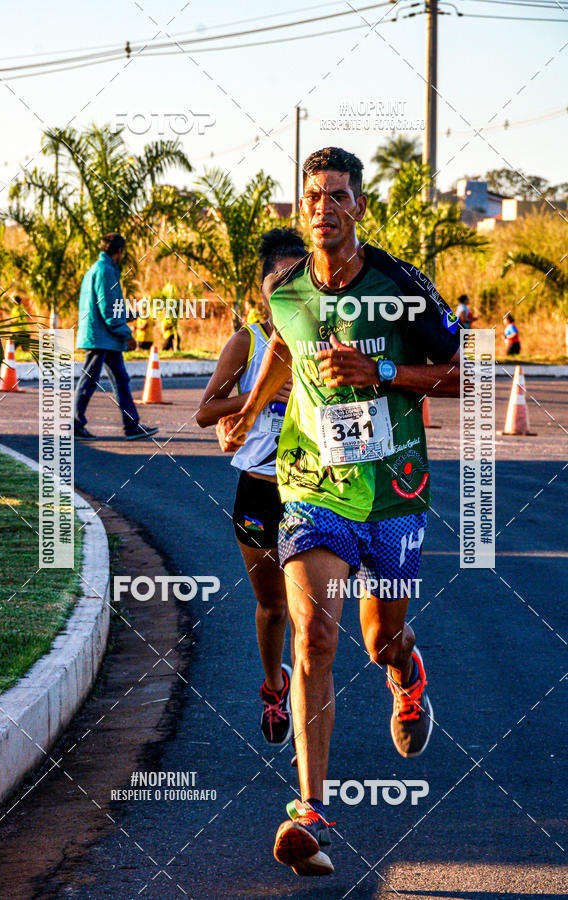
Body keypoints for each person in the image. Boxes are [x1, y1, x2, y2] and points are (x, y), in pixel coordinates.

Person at [222, 147, 461, 877]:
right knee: (314, 631)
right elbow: (285, 358)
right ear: (303, 208)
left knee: (378, 638)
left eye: (337, 196)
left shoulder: (401, 289)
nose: (323, 208)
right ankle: (311, 812)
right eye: (313, 196)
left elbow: (460, 373)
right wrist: (247, 408)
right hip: (312, 486)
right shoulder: (287, 292)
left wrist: (383, 372)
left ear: (359, 206)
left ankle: (406, 673)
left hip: (392, 489)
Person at [197, 228, 307, 748]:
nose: (286, 287)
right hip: (259, 491)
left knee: (315, 619)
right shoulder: (248, 342)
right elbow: (205, 412)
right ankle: (273, 686)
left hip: (315, 493)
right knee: (274, 607)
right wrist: (255, 400)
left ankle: (312, 733)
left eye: (296, 278)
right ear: (262, 287)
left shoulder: (323, 339)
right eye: (277, 280)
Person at [74, 233, 158, 441]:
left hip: (105, 336)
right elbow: (109, 310)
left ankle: (131, 425)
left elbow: (108, 308)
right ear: (119, 252)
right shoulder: (106, 271)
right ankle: (75, 424)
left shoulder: (96, 269)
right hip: (101, 337)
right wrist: (127, 334)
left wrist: (132, 313)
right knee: (90, 379)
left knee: (121, 380)